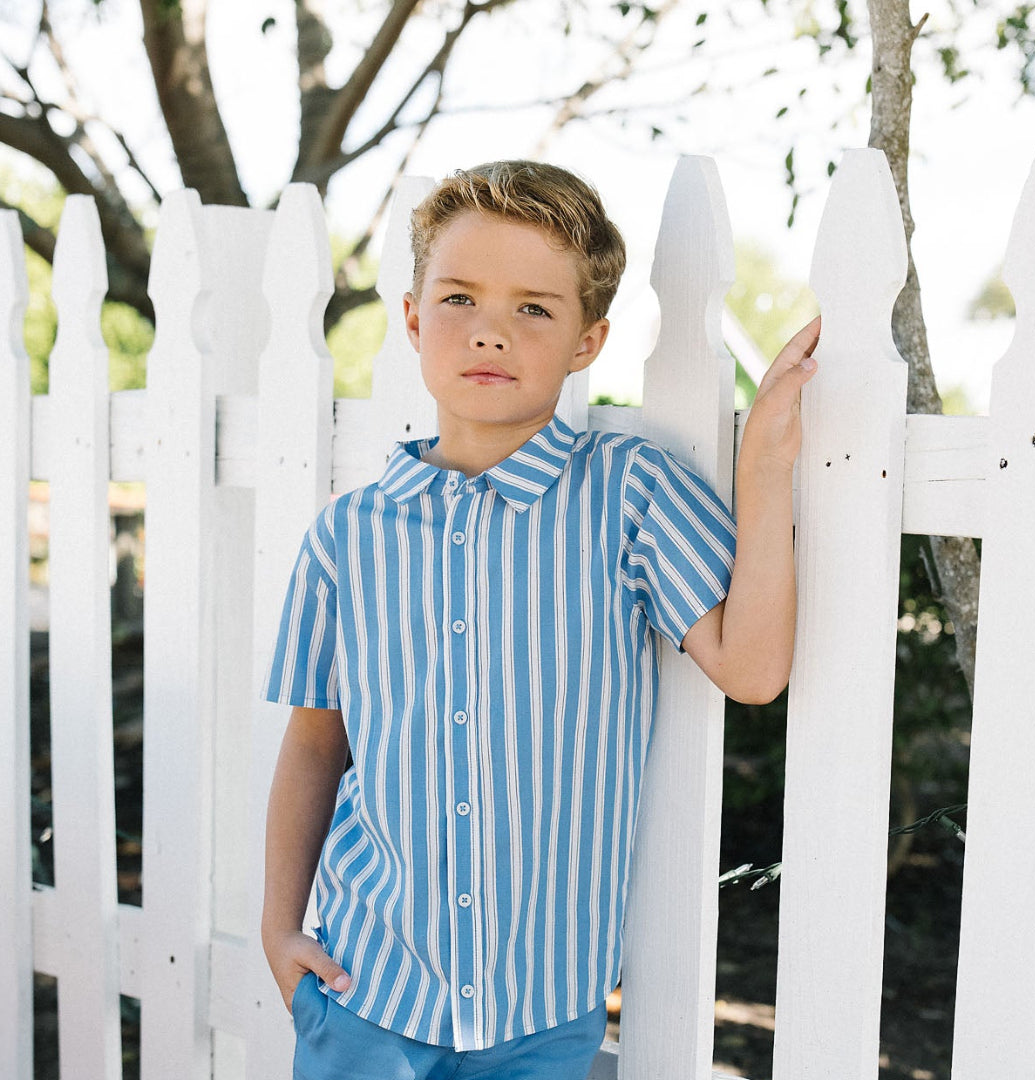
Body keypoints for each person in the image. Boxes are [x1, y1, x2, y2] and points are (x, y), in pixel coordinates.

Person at [260, 159, 818, 1080]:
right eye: (458, 298)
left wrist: (761, 463)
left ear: (587, 341)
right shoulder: (347, 537)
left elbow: (753, 669)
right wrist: (283, 930)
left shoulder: (628, 496)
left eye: (533, 308)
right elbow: (316, 744)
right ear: (410, 318)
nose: (490, 331)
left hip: (543, 1011)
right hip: (366, 993)